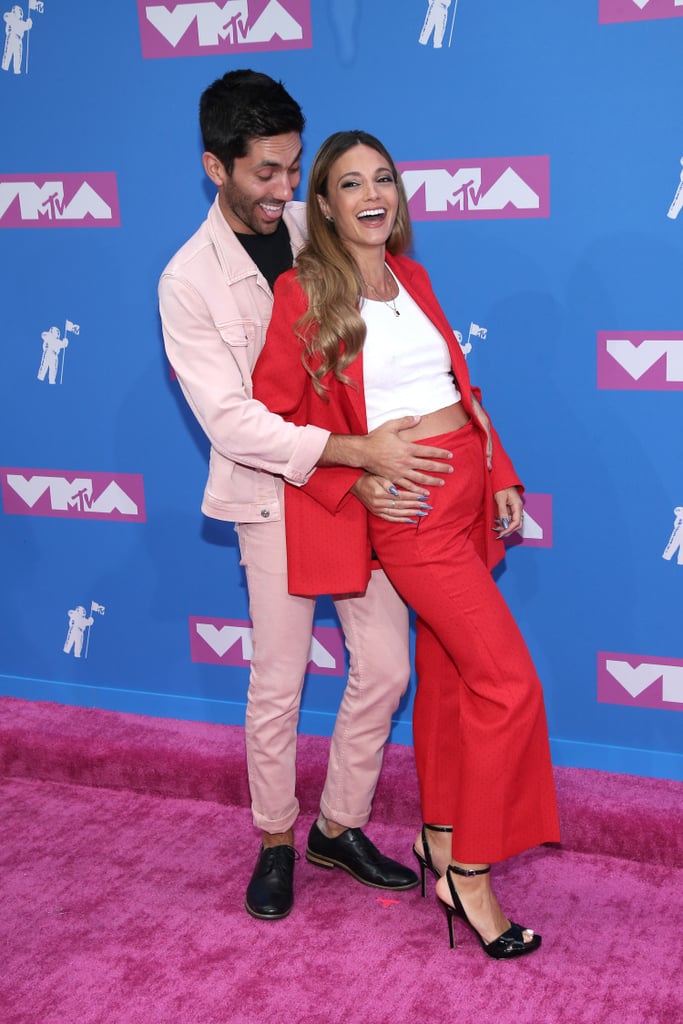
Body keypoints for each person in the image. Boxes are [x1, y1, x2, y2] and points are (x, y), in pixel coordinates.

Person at [252, 130, 562, 959]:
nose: (370, 195)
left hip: (468, 489)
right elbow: (273, 420)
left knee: (457, 682)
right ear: (323, 205)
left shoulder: (410, 275)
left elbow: (457, 388)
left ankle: (436, 832)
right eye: (349, 184)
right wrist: (351, 480)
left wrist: (500, 469)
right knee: (506, 683)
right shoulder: (300, 294)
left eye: (382, 178)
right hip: (412, 509)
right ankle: (471, 871)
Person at [158, 74, 456, 922]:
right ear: (216, 167)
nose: (285, 190)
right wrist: (349, 451)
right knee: (279, 682)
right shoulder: (187, 281)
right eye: (266, 173)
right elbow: (232, 421)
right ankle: (277, 840)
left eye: (295, 169)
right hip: (272, 492)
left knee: (387, 666)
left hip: (362, 488)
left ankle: (340, 824)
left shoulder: (315, 222)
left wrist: (375, 456)